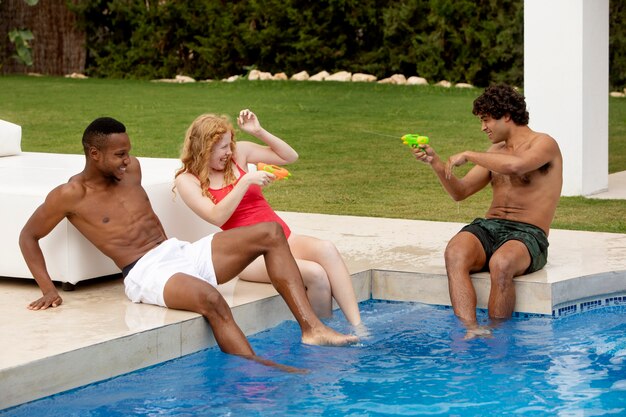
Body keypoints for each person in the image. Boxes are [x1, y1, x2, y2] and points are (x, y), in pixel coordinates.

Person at [19, 117, 358, 370]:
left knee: (270, 231)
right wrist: (48, 288)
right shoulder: (70, 195)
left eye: (128, 152)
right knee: (212, 300)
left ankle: (312, 329)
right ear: (94, 154)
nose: (128, 160)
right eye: (119, 154)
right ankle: (259, 367)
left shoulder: (131, 170)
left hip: (180, 252)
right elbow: (29, 236)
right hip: (146, 272)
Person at [174, 109, 362, 326]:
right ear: (205, 147)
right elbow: (217, 216)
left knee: (327, 248)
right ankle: (321, 336)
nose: (228, 151)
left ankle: (358, 328)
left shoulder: (239, 154)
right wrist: (245, 181)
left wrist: (258, 131)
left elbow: (290, 157)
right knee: (316, 274)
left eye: (229, 144)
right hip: (249, 255)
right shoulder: (187, 180)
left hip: (283, 237)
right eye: (223, 147)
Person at [412, 84, 563, 338]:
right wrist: (436, 163)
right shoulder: (494, 153)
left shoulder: (544, 144)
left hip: (528, 234)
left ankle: (498, 334)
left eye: (486, 120)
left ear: (506, 115)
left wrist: (470, 154)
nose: (483, 127)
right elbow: (460, 192)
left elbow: (518, 166)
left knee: (501, 263)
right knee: (455, 252)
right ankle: (470, 329)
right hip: (491, 226)